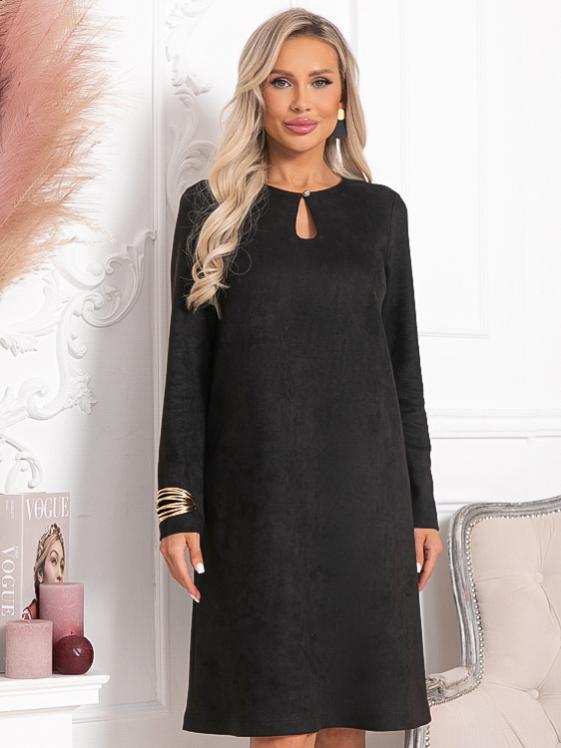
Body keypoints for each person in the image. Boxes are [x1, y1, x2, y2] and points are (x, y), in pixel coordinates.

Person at [156, 7, 444, 747]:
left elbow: (402, 372)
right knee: (278, 719)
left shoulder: (380, 214)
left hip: (366, 504)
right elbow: (186, 376)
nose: (301, 101)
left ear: (343, 98)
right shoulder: (211, 210)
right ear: (257, 94)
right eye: (281, 82)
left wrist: (420, 508)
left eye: (320, 82)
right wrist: (177, 512)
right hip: (257, 505)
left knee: (351, 720)